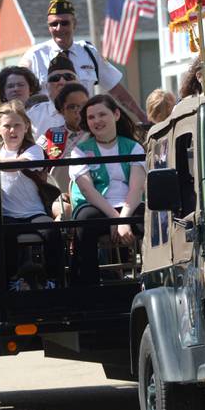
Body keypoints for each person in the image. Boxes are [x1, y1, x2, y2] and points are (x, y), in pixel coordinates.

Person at [20, 0, 148, 122]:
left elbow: (117, 90)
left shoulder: (89, 53)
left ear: (74, 24)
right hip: (47, 131)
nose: (59, 28)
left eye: (65, 23)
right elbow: (17, 90)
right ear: (49, 27)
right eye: (54, 24)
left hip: (83, 129)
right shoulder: (35, 55)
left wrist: (142, 116)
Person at [69, 95, 146, 285]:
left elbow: (136, 189)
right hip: (98, 207)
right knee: (84, 221)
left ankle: (151, 280)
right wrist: (115, 219)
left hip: (129, 206)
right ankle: (90, 288)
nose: (96, 121)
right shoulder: (79, 151)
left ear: (116, 114)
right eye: (91, 117)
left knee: (151, 218)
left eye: (102, 114)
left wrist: (123, 219)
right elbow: (88, 192)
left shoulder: (134, 147)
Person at [0, 100, 64, 290]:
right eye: (7, 126)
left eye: (17, 125)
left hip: (33, 213)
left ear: (26, 126)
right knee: (4, 236)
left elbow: (14, 166)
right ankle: (10, 280)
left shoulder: (34, 150)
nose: (12, 130)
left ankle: (54, 279)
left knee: (51, 231)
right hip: (8, 215)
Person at [26, 54, 81, 139]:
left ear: (79, 83)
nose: (62, 82)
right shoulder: (33, 116)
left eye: (68, 77)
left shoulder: (92, 111)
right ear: (47, 86)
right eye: (55, 78)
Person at [37, 82, 89, 161]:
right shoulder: (51, 134)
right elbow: (34, 157)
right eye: (72, 107)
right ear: (62, 111)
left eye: (84, 105)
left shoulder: (96, 133)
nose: (79, 110)